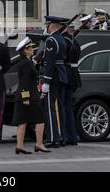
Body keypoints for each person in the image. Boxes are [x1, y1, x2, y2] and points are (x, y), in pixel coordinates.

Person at [13, 37, 49, 154]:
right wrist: (26, 97)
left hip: (28, 96)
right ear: (25, 51)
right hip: (29, 97)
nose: (32, 49)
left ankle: (20, 146)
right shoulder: (26, 64)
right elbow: (24, 81)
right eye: (30, 48)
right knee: (40, 120)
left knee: (23, 121)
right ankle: (39, 144)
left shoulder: (27, 62)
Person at [40, 16, 68, 148]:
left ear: (51, 25)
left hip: (53, 77)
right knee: (57, 108)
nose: (46, 26)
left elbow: (50, 63)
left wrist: (46, 81)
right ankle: (59, 136)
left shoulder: (51, 40)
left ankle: (52, 137)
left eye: (47, 24)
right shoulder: (61, 39)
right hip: (61, 75)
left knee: (50, 108)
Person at [61, 23, 81, 146]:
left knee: (64, 107)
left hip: (67, 74)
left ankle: (66, 135)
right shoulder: (75, 42)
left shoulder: (65, 41)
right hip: (74, 74)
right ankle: (72, 135)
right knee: (68, 107)